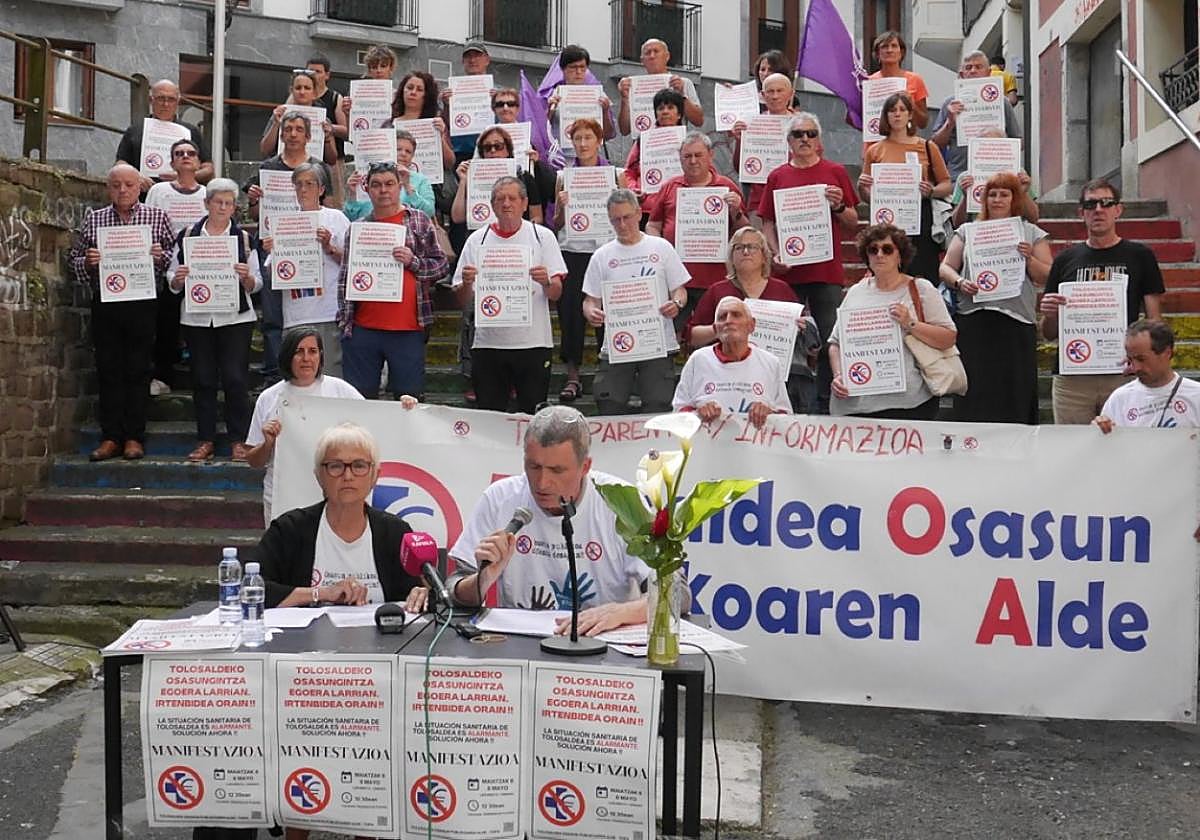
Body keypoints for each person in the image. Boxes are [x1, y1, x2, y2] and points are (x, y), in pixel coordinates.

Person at [444, 405, 652, 635]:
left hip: (601, 644)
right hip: (521, 645)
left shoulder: (622, 501)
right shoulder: (500, 498)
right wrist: (483, 579)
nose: (542, 483)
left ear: (585, 467)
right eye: (534, 467)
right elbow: (453, 590)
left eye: (557, 470)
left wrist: (621, 613)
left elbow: (675, 593)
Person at [253, 422, 425, 613]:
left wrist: (421, 595)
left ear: (375, 476)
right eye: (336, 466)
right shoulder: (289, 529)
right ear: (319, 476)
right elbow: (253, 589)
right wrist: (322, 593)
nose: (348, 475)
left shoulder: (396, 532)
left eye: (359, 466)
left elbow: (414, 595)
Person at [69, 163, 176, 462]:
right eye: (116, 185)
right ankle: (110, 437)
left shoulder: (157, 217)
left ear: (140, 187)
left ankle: (133, 437)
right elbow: (74, 259)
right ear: (108, 188)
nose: (123, 190)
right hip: (107, 301)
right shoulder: (96, 219)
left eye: (129, 184)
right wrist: (89, 262)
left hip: (143, 301)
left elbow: (175, 259)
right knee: (108, 368)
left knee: (138, 369)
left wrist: (160, 256)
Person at [1039, 179, 1165, 424]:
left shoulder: (1140, 256)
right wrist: (1050, 313)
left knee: (1125, 449)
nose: (1098, 209)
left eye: (1106, 203)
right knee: (1072, 450)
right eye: (1090, 204)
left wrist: (1141, 360)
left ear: (1118, 210)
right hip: (1072, 377)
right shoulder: (1065, 260)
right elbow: (1048, 333)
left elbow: (1154, 322)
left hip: (1121, 373)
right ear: (1081, 213)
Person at [758, 112, 859, 412]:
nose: (805, 139)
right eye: (798, 134)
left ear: (819, 140)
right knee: (785, 338)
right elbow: (767, 224)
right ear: (788, 141)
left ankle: (828, 398)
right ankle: (786, 398)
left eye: (811, 134)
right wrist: (775, 253)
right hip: (789, 272)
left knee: (830, 336)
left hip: (826, 270)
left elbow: (853, 222)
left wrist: (839, 204)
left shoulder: (836, 171)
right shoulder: (777, 176)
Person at [939, 172, 1051, 423]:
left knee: (1015, 393)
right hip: (975, 320)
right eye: (992, 194)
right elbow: (945, 268)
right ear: (984, 199)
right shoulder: (967, 230)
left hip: (1016, 322)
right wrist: (960, 282)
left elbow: (1047, 275)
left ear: (1015, 199)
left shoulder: (1031, 232)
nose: (997, 199)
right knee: (976, 392)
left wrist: (1029, 257)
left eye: (1004, 194)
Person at [451, 176, 568, 414]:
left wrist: (546, 281)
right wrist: (465, 283)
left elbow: (556, 293)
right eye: (500, 199)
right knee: (491, 419)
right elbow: (462, 300)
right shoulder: (477, 240)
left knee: (533, 417)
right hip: (488, 345)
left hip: (533, 344)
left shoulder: (542, 236)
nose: (506, 204)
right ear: (492, 205)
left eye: (513, 198)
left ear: (525, 203)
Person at [167, 178, 262, 463]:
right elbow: (171, 275)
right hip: (197, 318)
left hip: (235, 317)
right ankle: (205, 439)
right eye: (218, 202)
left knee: (235, 379)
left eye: (229, 203)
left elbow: (257, 282)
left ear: (235, 207)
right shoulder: (187, 235)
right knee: (203, 379)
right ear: (206, 203)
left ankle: (239, 440)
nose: (223, 207)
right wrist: (177, 280)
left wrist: (247, 278)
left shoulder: (243, 239)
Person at [336, 162, 449, 400]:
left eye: (389, 184)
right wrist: (347, 324)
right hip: (363, 329)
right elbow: (345, 278)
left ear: (400, 187)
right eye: (376, 185)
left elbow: (441, 266)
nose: (383, 190)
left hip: (408, 329)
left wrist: (413, 261)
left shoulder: (419, 220)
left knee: (409, 401)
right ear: (367, 189)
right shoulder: (357, 228)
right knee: (360, 401)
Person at [829, 224, 957, 419]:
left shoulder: (921, 289)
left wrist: (910, 323)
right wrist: (838, 375)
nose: (880, 254)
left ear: (900, 256)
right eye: (873, 250)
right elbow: (836, 343)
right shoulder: (856, 291)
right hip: (857, 404)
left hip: (909, 404)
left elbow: (948, 338)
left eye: (887, 249)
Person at [688, 226, 820, 413]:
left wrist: (801, 328)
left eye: (752, 247)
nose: (746, 252)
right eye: (739, 248)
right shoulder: (717, 291)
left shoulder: (782, 290)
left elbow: (809, 346)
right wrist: (720, 328)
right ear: (731, 256)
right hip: (726, 379)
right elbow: (692, 337)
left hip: (775, 378)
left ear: (764, 255)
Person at [581, 189, 689, 415]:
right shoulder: (602, 256)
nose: (622, 224)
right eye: (615, 219)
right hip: (617, 346)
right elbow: (590, 300)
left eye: (627, 217)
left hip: (657, 343)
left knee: (659, 406)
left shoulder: (661, 248)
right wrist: (591, 312)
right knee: (609, 405)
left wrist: (676, 304)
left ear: (639, 214)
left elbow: (679, 289)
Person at [245, 110, 334, 384]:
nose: (292, 133)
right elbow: (254, 215)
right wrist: (253, 201)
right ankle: (275, 372)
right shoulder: (268, 168)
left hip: (308, 250)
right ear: (281, 134)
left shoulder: (319, 166)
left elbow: (325, 207)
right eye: (288, 129)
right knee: (273, 315)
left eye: (298, 129)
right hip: (274, 245)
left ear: (308, 136)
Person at [245, 328, 365, 525]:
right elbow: (253, 460)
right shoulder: (269, 397)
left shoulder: (340, 390)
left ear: (320, 356)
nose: (306, 358)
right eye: (299, 351)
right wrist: (268, 443)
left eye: (313, 351)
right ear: (287, 356)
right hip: (282, 497)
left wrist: (406, 408)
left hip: (332, 497)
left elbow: (375, 423)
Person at [553, 119, 626, 401]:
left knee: (606, 313)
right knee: (571, 313)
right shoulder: (563, 177)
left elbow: (628, 214)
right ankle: (573, 377)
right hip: (573, 253)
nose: (583, 144)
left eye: (588, 137)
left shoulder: (616, 175)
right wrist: (562, 205)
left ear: (598, 141)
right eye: (578, 138)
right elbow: (557, 223)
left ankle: (607, 373)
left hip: (608, 252)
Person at [646, 131, 747, 330]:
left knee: (713, 334)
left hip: (715, 278)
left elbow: (744, 232)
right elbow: (652, 225)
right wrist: (661, 250)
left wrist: (736, 211)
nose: (692, 161)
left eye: (698, 155)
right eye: (687, 156)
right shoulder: (669, 186)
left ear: (711, 155)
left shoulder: (727, 187)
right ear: (680, 159)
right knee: (668, 332)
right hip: (676, 277)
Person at [259, 163, 350, 375]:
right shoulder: (285, 223)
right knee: (298, 378)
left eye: (309, 184)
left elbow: (352, 264)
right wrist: (274, 252)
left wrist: (329, 248)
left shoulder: (336, 218)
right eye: (298, 184)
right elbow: (273, 276)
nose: (303, 189)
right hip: (296, 314)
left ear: (321, 189)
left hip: (328, 312)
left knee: (329, 375)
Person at [858, 92, 952, 285]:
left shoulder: (927, 146)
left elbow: (947, 185)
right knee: (888, 277)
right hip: (887, 221)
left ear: (910, 115)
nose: (897, 114)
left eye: (902, 110)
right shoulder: (874, 150)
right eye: (892, 110)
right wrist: (862, 188)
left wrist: (931, 190)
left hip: (920, 220)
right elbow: (869, 196)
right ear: (885, 116)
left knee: (923, 279)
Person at [144, 137, 207, 397]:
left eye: (190, 153)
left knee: (201, 325)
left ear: (199, 162)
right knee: (165, 322)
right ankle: (162, 375)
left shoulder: (207, 193)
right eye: (179, 153)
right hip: (166, 266)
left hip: (203, 268)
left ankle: (201, 374)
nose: (185, 156)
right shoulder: (159, 192)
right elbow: (145, 223)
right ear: (171, 161)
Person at [673, 296, 791, 429]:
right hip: (709, 446)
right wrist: (698, 414)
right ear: (716, 328)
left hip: (756, 447)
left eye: (736, 315)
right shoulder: (698, 360)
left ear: (751, 325)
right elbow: (678, 412)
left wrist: (769, 414)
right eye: (722, 317)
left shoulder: (770, 362)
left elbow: (786, 417)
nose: (728, 321)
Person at [930, 51, 1024, 185]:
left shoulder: (1002, 102)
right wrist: (950, 122)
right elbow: (936, 144)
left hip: (997, 176)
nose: (973, 71)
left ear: (988, 72)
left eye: (978, 67)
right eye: (968, 68)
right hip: (959, 176)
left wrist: (998, 146)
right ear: (962, 75)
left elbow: (1018, 142)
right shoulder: (950, 104)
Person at [1094, 320, 1200, 431]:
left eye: (1141, 359)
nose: (1136, 367)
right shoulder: (1120, 399)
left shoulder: (1196, 395)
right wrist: (1100, 430)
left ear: (1167, 353)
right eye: (1130, 359)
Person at [115, 79, 213, 193]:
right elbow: (120, 162)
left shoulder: (191, 131)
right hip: (143, 195)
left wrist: (187, 176)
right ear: (151, 100)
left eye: (171, 99)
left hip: (181, 196)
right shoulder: (135, 130)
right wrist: (135, 176)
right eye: (161, 98)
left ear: (177, 102)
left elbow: (208, 169)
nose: (165, 104)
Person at [730, 72, 796, 219]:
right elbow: (739, 167)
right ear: (762, 95)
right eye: (770, 91)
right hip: (760, 201)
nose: (775, 96)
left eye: (780, 91)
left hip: (793, 200)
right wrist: (740, 140)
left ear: (791, 94)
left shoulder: (803, 125)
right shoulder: (752, 124)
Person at [344, 128, 436, 221]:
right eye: (398, 149)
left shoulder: (420, 180)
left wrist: (408, 187)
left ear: (412, 156)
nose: (403, 154)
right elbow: (350, 218)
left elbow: (429, 212)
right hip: (371, 230)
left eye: (408, 151)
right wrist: (353, 194)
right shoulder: (369, 178)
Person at [622, 87, 686, 217]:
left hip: (678, 207)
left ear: (679, 114)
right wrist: (634, 189)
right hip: (647, 207)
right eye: (661, 108)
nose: (665, 112)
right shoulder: (643, 140)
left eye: (670, 107)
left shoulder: (689, 141)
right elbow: (629, 172)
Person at [618, 38, 704, 133]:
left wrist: (682, 95)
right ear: (642, 60)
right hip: (644, 144)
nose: (652, 56)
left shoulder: (683, 83)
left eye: (656, 51)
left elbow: (698, 121)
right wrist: (624, 99)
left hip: (675, 143)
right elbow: (624, 130)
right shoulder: (633, 87)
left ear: (667, 56)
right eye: (648, 53)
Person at [258, 69, 338, 165]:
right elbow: (264, 151)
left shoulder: (323, 120)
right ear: (291, 91)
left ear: (315, 93)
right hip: (282, 171)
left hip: (312, 173)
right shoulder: (279, 115)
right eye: (298, 88)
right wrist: (275, 124)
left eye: (307, 88)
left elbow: (332, 160)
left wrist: (327, 138)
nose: (302, 92)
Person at [547, 44, 617, 151]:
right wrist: (549, 111)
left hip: (589, 159)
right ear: (563, 69)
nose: (578, 72)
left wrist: (605, 111)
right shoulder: (554, 95)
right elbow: (542, 132)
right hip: (561, 158)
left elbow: (608, 134)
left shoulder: (598, 95)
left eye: (582, 67)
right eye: (573, 67)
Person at [387, 70, 455, 171]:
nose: (413, 92)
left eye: (419, 90)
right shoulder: (389, 125)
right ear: (402, 91)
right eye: (409, 88)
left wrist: (440, 138)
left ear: (426, 96)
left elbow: (450, 163)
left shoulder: (436, 124)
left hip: (429, 184)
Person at [445, 42, 493, 166]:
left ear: (487, 60)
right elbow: (445, 125)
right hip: (460, 152)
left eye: (477, 56)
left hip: (489, 151)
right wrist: (446, 105)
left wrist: (498, 103)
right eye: (468, 57)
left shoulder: (497, 92)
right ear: (463, 62)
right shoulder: (452, 91)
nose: (472, 60)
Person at [868, 31, 929, 129]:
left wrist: (911, 104)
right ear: (877, 54)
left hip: (905, 141)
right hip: (875, 141)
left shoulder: (915, 80)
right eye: (884, 47)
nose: (889, 50)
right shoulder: (868, 83)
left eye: (894, 46)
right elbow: (856, 121)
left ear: (901, 52)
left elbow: (923, 123)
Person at [302, 54, 349, 158]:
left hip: (331, 160)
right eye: (310, 71)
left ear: (327, 75)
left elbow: (346, 132)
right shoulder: (299, 96)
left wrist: (329, 127)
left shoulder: (335, 98)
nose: (313, 75)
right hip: (304, 156)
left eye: (318, 72)